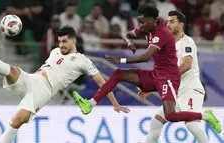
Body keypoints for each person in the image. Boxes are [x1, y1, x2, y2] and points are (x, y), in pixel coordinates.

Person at [72, 5, 221, 134]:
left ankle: (206, 116)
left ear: (152, 21)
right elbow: (127, 34)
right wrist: (129, 42)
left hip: (168, 78)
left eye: (142, 22)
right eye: (139, 22)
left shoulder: (162, 34)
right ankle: (90, 104)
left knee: (170, 116)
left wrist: (122, 60)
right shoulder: (147, 27)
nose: (140, 26)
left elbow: (145, 57)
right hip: (156, 75)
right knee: (118, 73)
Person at [0, 26, 129, 143]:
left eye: (65, 41)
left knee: (17, 120)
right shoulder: (56, 51)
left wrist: (115, 104)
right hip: (33, 78)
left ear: (73, 41)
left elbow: (103, 84)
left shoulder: (83, 61)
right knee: (12, 71)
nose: (61, 45)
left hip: (44, 90)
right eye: (59, 41)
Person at [142, 10, 209, 143]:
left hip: (191, 90)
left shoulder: (187, 41)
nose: (168, 24)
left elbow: (187, 64)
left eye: (172, 22)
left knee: (192, 125)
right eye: (167, 22)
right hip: (177, 94)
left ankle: (207, 119)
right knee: (156, 122)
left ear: (181, 25)